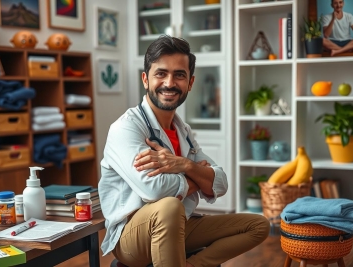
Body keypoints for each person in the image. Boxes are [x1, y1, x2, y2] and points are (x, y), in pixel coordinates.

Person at [98, 35, 270, 267]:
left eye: (179, 75)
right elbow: (153, 190)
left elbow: (220, 182)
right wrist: (198, 177)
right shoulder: (126, 128)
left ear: (190, 83)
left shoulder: (182, 130)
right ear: (145, 80)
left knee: (258, 225)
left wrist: (185, 165)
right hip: (131, 238)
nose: (169, 83)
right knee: (169, 206)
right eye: (161, 73)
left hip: (179, 224)